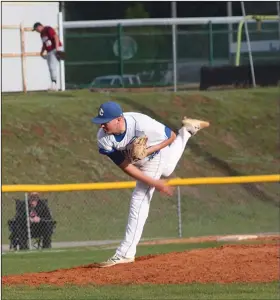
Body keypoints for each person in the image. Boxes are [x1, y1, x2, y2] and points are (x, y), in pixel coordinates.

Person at [92, 101, 210, 267]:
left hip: (155, 155)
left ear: (119, 119)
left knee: (139, 199)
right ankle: (188, 130)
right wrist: (155, 182)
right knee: (168, 169)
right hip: (138, 162)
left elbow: (171, 136)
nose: (102, 125)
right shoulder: (103, 139)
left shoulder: (142, 124)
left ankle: (125, 253)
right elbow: (125, 166)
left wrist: (149, 151)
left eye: (106, 121)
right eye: (100, 121)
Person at [33, 22, 63, 91]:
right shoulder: (41, 34)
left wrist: (57, 48)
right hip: (50, 51)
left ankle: (54, 85)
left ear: (39, 26)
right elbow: (44, 44)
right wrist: (41, 52)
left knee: (52, 66)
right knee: (50, 67)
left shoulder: (48, 29)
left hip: (55, 48)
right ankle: (54, 84)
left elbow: (55, 37)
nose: (36, 31)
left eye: (36, 29)